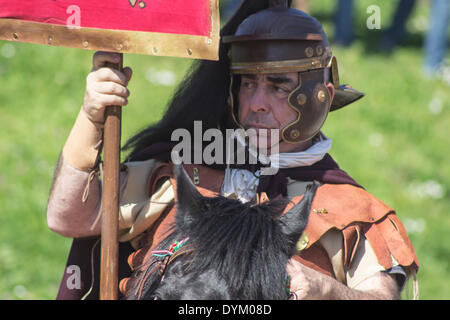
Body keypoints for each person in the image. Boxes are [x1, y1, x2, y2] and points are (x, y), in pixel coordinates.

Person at [47, 0, 419, 300]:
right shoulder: (179, 169)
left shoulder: (352, 208)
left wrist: (329, 291)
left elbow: (381, 295)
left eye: (277, 86)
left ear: (323, 96)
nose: (256, 102)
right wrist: (92, 116)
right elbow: (69, 219)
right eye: (247, 84)